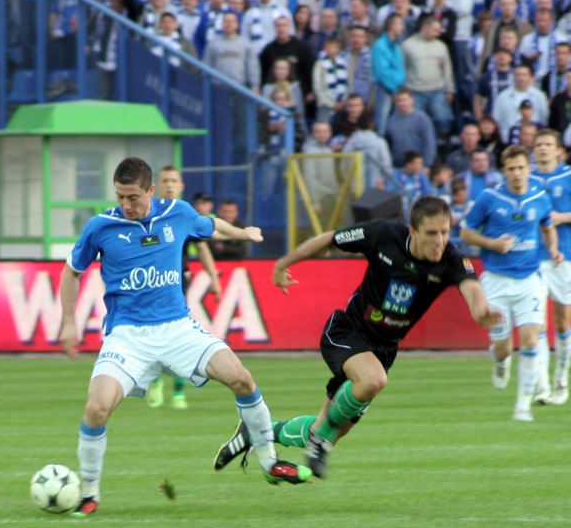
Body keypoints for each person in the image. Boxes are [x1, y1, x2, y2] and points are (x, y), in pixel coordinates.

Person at [60, 157, 310, 517]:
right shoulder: (101, 226)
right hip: (127, 337)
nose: (126, 205)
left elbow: (211, 225)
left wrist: (244, 234)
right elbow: (71, 271)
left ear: (151, 190)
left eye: (133, 197)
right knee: (96, 408)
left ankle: (270, 462)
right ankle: (89, 494)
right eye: (120, 197)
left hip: (177, 329)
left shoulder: (177, 213)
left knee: (241, 378)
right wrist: (69, 321)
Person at [213, 196, 501, 477]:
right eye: (432, 233)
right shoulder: (383, 235)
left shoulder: (452, 259)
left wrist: (482, 314)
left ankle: (258, 432)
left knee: (328, 428)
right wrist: (283, 263)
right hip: (347, 331)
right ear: (413, 231)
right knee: (372, 381)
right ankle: (319, 441)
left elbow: (473, 292)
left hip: (384, 350)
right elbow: (330, 239)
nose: (440, 240)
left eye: (445, 232)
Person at [459, 144, 562, 421]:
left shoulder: (540, 197)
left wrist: (553, 248)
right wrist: (491, 243)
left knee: (530, 340)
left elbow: (548, 227)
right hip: (497, 281)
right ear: (503, 171)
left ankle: (523, 407)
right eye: (511, 168)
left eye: (521, 168)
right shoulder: (489, 198)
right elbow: (465, 232)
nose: (517, 173)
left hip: (529, 280)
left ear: (529, 169)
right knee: (504, 347)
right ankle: (500, 359)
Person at [145, 166, 223, 410]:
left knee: (176, 337)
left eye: (174, 181)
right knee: (152, 335)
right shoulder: (148, 213)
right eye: (165, 180)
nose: (169, 185)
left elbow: (201, 246)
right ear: (156, 186)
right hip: (150, 283)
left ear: (181, 186)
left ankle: (178, 392)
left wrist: (214, 279)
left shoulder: (184, 214)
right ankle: (155, 380)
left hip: (178, 282)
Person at [530, 128, 571, 404]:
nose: (543, 148)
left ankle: (561, 378)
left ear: (558, 150)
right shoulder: (527, 178)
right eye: (539, 144)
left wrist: (561, 217)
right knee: (537, 322)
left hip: (564, 256)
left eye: (547, 144)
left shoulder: (568, 176)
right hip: (532, 257)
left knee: (562, 321)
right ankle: (542, 385)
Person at [402, 17, 455, 138]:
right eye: (435, 30)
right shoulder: (407, 45)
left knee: (443, 119)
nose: (437, 34)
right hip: (415, 91)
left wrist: (450, 89)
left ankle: (441, 143)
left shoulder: (441, 46)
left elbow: (447, 69)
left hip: (437, 90)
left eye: (439, 31)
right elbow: (403, 68)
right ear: (425, 27)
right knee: (416, 122)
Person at [372, 14, 408, 134]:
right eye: (400, 24)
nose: (403, 27)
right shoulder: (380, 46)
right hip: (386, 90)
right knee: (382, 121)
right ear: (392, 26)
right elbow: (382, 72)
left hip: (398, 89)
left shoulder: (396, 46)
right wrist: (394, 90)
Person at [385, 87, 437, 167]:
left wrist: (427, 165)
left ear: (412, 100)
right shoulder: (391, 120)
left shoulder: (422, 118)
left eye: (404, 100)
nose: (402, 103)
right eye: (399, 100)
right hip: (398, 166)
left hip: (418, 166)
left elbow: (429, 143)